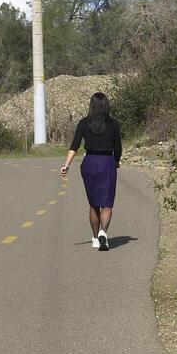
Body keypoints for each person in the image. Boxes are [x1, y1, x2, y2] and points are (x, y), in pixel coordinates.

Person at [60, 92, 122, 251]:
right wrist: (116, 161)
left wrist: (66, 165)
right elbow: (118, 148)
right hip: (107, 162)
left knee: (94, 203)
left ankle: (95, 238)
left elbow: (74, 145)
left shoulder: (83, 123)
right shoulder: (113, 124)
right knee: (107, 203)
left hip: (89, 163)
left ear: (91, 105)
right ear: (106, 106)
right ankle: (103, 232)